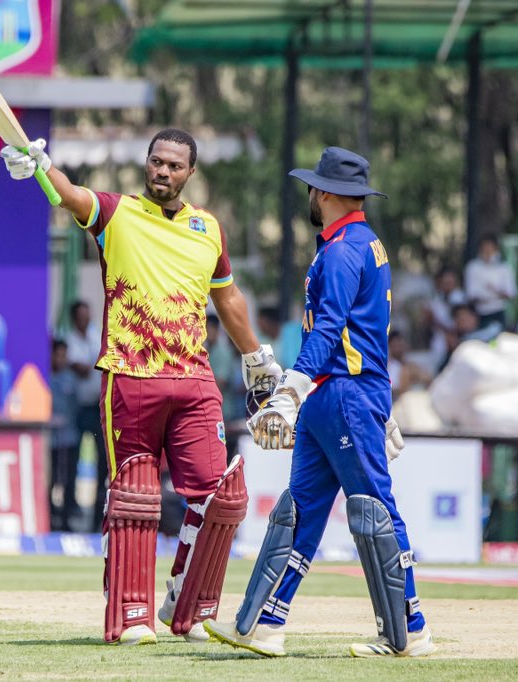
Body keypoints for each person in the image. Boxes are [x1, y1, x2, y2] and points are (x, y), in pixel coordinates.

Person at [1, 129, 282, 646]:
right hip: (131, 377)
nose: (163, 172)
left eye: (175, 165)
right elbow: (70, 194)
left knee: (219, 496)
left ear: (190, 173)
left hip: (195, 381)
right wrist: (41, 168)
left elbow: (229, 298)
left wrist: (258, 357)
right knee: (134, 497)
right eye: (157, 162)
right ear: (146, 163)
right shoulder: (117, 213)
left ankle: (189, 602)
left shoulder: (208, 228)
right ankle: (131, 613)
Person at [204, 146, 435, 658]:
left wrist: (291, 389)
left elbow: (332, 329)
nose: (310, 195)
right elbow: (366, 328)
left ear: (324, 192)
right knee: (300, 510)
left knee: (375, 509)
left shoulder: (344, 250)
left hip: (342, 392)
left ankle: (409, 628)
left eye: (313, 187)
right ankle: (265, 623)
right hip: (339, 394)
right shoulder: (359, 242)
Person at [63, 301, 109, 532]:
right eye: (81, 317)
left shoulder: (95, 336)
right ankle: (68, 513)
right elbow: (79, 370)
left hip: (97, 406)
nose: (85, 321)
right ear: (74, 319)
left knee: (102, 462)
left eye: (87, 316)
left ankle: (97, 515)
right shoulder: (69, 339)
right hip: (78, 408)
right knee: (72, 461)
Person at [49, 338, 81, 531]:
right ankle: (50, 518)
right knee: (51, 479)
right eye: (57, 355)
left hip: (69, 437)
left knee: (69, 479)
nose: (61, 359)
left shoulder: (70, 379)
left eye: (64, 355)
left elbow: (76, 407)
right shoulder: (45, 377)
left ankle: (66, 519)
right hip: (49, 440)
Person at [464, 235, 517, 328]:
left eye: (491, 249)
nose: (488, 253)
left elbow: (511, 293)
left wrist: (494, 291)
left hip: (499, 313)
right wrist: (495, 296)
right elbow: (471, 295)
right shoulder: (472, 267)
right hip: (478, 314)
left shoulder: (504, 268)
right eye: (485, 249)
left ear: (497, 250)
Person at [424, 266, 466, 366]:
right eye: (445, 282)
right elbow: (428, 321)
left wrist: (452, 334)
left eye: (450, 282)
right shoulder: (434, 298)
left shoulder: (461, 297)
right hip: (439, 340)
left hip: (459, 337)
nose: (448, 285)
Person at [387, 330, 432, 402]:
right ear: (390, 347)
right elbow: (392, 390)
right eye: (395, 346)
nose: (399, 349)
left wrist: (416, 376)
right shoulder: (388, 367)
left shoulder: (411, 365)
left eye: (401, 345)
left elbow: (428, 379)